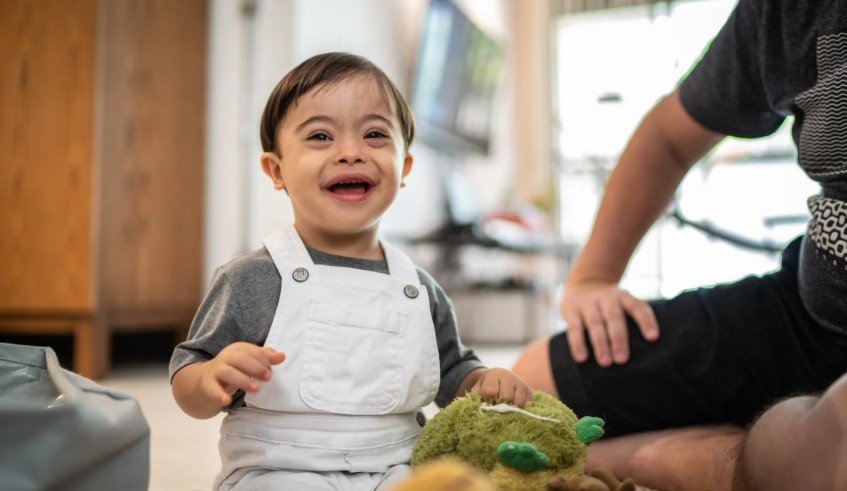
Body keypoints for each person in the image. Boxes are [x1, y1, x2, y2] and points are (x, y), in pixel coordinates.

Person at [513, 0, 847, 488]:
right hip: (805, 311)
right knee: (528, 389)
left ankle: (667, 459)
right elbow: (667, 137)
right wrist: (591, 278)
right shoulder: (788, 12)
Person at [170, 52, 532, 491]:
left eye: (375, 134)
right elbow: (189, 373)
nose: (350, 153)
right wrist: (210, 378)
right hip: (280, 471)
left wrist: (483, 380)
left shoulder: (418, 288)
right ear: (276, 170)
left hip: (397, 468)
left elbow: (453, 370)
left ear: (405, 169)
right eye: (320, 136)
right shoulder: (253, 278)